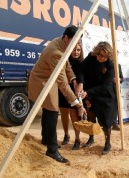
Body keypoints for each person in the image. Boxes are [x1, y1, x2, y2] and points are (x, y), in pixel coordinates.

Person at [28, 25, 86, 163]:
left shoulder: (60, 42)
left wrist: (74, 79)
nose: (76, 46)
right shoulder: (56, 52)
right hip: (42, 81)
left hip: (48, 79)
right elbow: (63, 84)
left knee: (49, 110)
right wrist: (78, 105)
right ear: (66, 38)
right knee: (53, 111)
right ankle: (52, 150)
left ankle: (46, 139)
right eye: (74, 41)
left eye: (78, 42)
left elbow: (66, 66)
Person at [76, 41, 116, 155]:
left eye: (104, 56)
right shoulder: (91, 57)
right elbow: (81, 70)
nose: (100, 57)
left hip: (105, 96)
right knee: (91, 118)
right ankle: (91, 137)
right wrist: (81, 83)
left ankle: (107, 142)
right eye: (99, 54)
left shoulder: (110, 65)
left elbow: (105, 86)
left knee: (106, 122)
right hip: (90, 94)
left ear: (108, 56)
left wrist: (87, 92)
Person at [59, 43, 86, 150]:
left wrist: (80, 86)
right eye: (74, 50)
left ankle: (77, 139)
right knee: (64, 114)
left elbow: (82, 77)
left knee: (74, 116)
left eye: (78, 50)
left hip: (75, 92)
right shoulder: (64, 60)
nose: (76, 52)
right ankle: (66, 135)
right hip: (63, 90)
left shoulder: (82, 63)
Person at [112, 64, 124, 131]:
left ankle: (114, 124)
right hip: (107, 89)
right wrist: (111, 80)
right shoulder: (104, 63)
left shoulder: (118, 65)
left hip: (116, 89)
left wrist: (120, 79)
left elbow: (122, 78)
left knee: (116, 106)